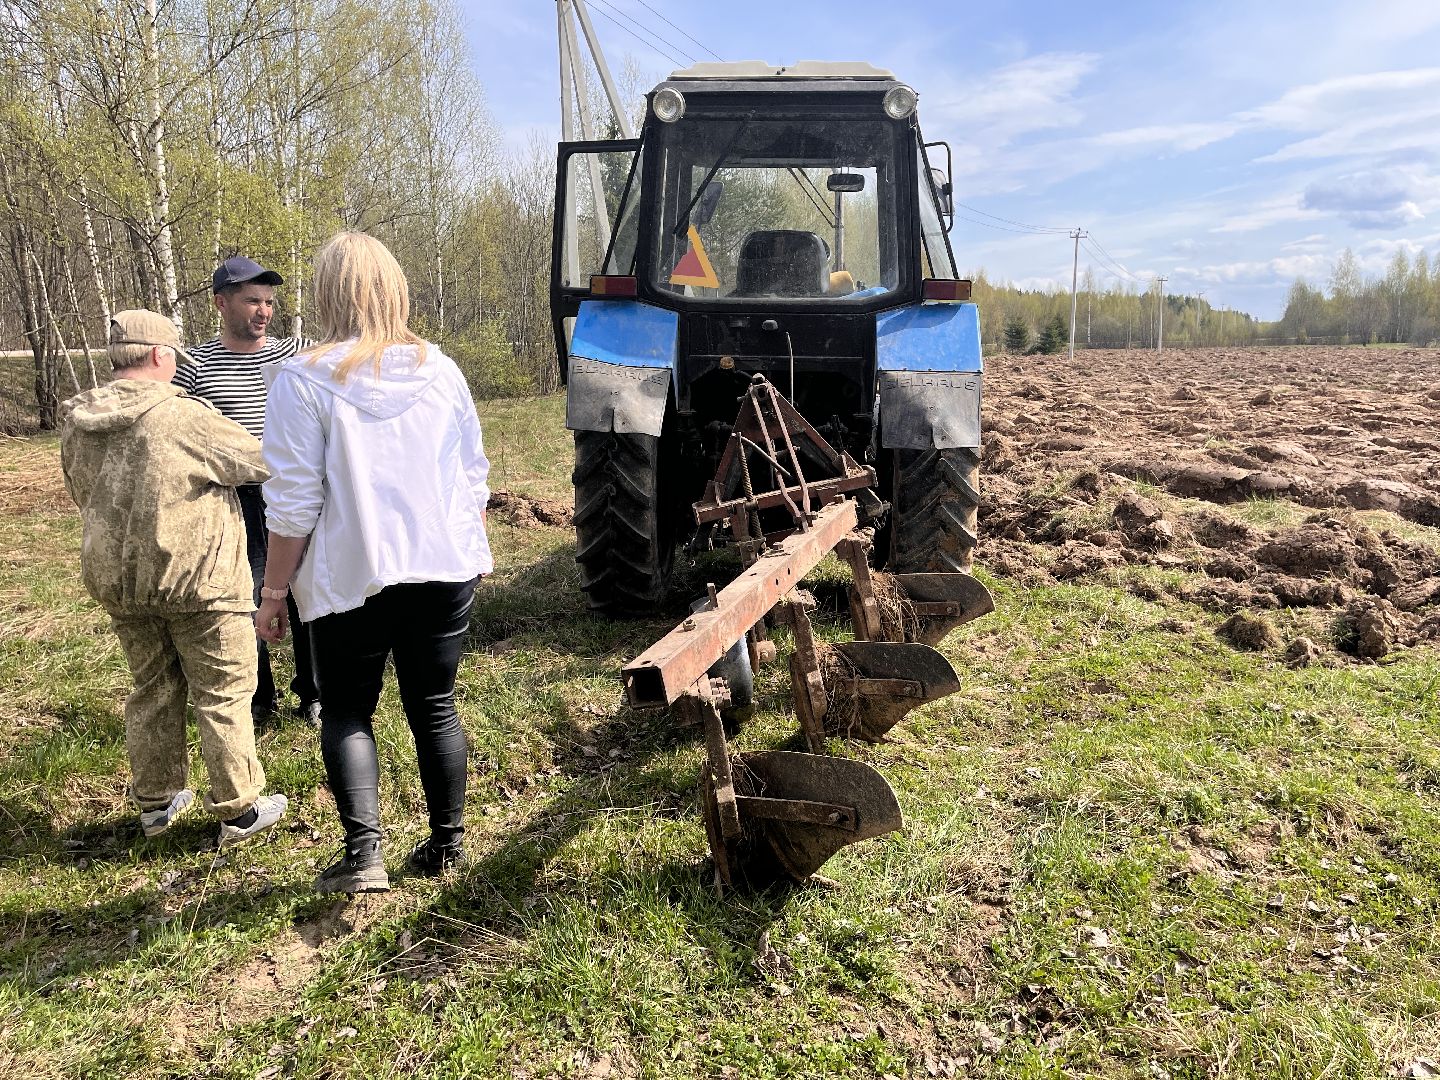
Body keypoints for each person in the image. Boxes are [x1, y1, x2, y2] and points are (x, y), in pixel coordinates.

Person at [255, 232, 491, 894]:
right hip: (442, 567)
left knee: (348, 711)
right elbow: (473, 473)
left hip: (352, 576)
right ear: (395, 288)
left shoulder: (302, 381)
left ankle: (365, 856)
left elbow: (293, 504)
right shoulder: (440, 371)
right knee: (435, 704)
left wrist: (274, 593)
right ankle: (448, 847)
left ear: (327, 292)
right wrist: (473, 548)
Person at [59, 310, 288, 847]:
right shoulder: (183, 416)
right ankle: (240, 809)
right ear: (162, 356)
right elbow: (263, 462)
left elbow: (80, 490)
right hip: (200, 582)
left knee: (151, 688)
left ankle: (156, 804)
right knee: (225, 690)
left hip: (121, 581)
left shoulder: (77, 420)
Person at [175, 256, 318, 727]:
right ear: (221, 303)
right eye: (252, 300)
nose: (263, 311)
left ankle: (313, 692)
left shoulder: (294, 352)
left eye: (269, 302)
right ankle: (258, 699)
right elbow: (178, 429)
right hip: (235, 499)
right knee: (248, 593)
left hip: (293, 491)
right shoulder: (195, 363)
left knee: (303, 590)